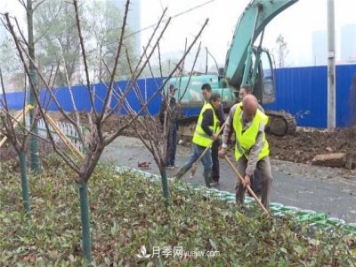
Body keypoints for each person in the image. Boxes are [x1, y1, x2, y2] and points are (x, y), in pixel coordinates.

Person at [218, 94, 272, 209]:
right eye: (249, 114)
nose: (252, 116)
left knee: (267, 177)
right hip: (243, 151)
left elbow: (256, 149)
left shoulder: (260, 119)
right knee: (240, 183)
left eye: (254, 113)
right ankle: (239, 206)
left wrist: (248, 174)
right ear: (243, 109)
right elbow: (228, 128)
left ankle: (265, 208)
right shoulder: (235, 110)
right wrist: (224, 146)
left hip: (260, 152)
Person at [174, 92, 222, 187]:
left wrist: (217, 138)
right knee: (208, 164)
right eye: (218, 101)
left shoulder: (209, 108)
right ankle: (208, 186)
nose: (219, 103)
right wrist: (212, 134)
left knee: (192, 161)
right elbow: (204, 125)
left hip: (198, 141)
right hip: (202, 143)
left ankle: (177, 177)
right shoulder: (209, 110)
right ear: (212, 101)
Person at [200, 83, 225, 186]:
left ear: (209, 92)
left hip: (215, 135)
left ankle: (215, 178)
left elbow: (222, 120)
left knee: (214, 156)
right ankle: (210, 177)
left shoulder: (217, 106)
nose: (204, 96)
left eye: (205, 93)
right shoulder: (207, 105)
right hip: (209, 136)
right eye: (203, 94)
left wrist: (218, 135)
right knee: (209, 157)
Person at [159, 84, 179, 168]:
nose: (173, 92)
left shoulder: (174, 100)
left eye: (174, 91)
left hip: (174, 126)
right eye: (172, 90)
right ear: (169, 91)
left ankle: (172, 162)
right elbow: (161, 115)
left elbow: (176, 114)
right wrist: (165, 125)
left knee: (174, 144)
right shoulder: (165, 102)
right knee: (168, 145)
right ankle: (166, 162)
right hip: (168, 126)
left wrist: (177, 127)